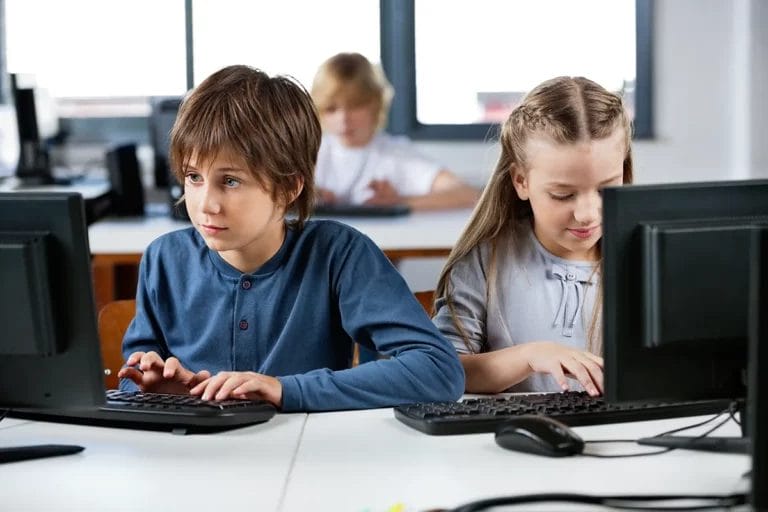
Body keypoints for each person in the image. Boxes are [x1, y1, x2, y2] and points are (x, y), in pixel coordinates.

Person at [117, 65, 464, 411]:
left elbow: (438, 371)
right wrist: (155, 391)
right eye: (194, 177)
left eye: (231, 181)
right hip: (197, 457)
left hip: (312, 455)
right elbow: (132, 380)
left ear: (289, 187)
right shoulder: (164, 260)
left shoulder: (339, 254)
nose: (206, 204)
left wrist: (284, 390)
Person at [432, 76, 634, 397]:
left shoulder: (643, 257)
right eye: (563, 194)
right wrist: (528, 357)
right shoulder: (487, 259)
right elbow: (442, 370)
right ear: (521, 181)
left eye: (606, 188)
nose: (587, 213)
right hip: (509, 440)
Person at [310, 52, 479, 210]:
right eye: (331, 109)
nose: (344, 119)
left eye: (355, 106)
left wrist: (399, 202)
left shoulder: (396, 155)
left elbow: (467, 194)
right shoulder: (310, 153)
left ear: (375, 105)